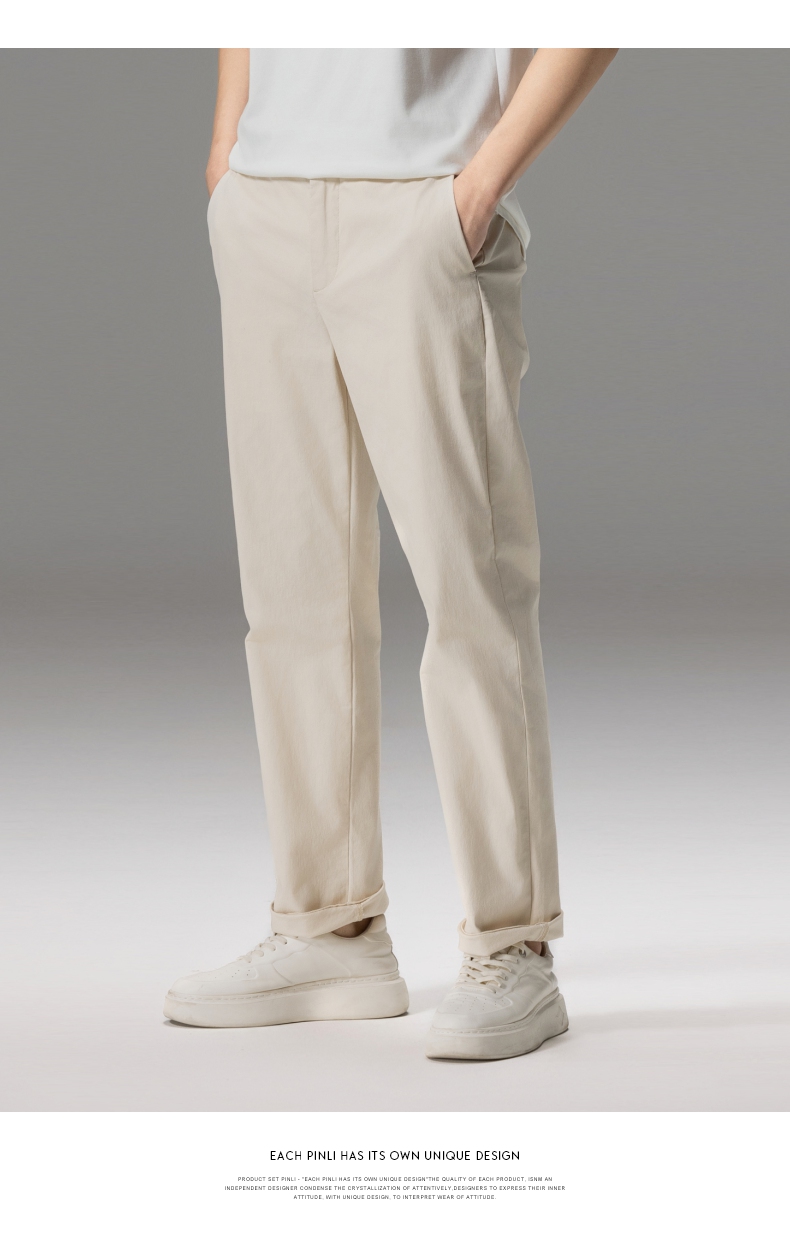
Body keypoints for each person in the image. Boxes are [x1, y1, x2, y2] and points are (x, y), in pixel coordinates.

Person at [164, 47, 618, 1060]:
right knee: (292, 598)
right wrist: (228, 147)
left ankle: (513, 945)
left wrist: (481, 184)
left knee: (472, 592)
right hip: (267, 201)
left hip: (422, 198)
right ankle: (329, 930)